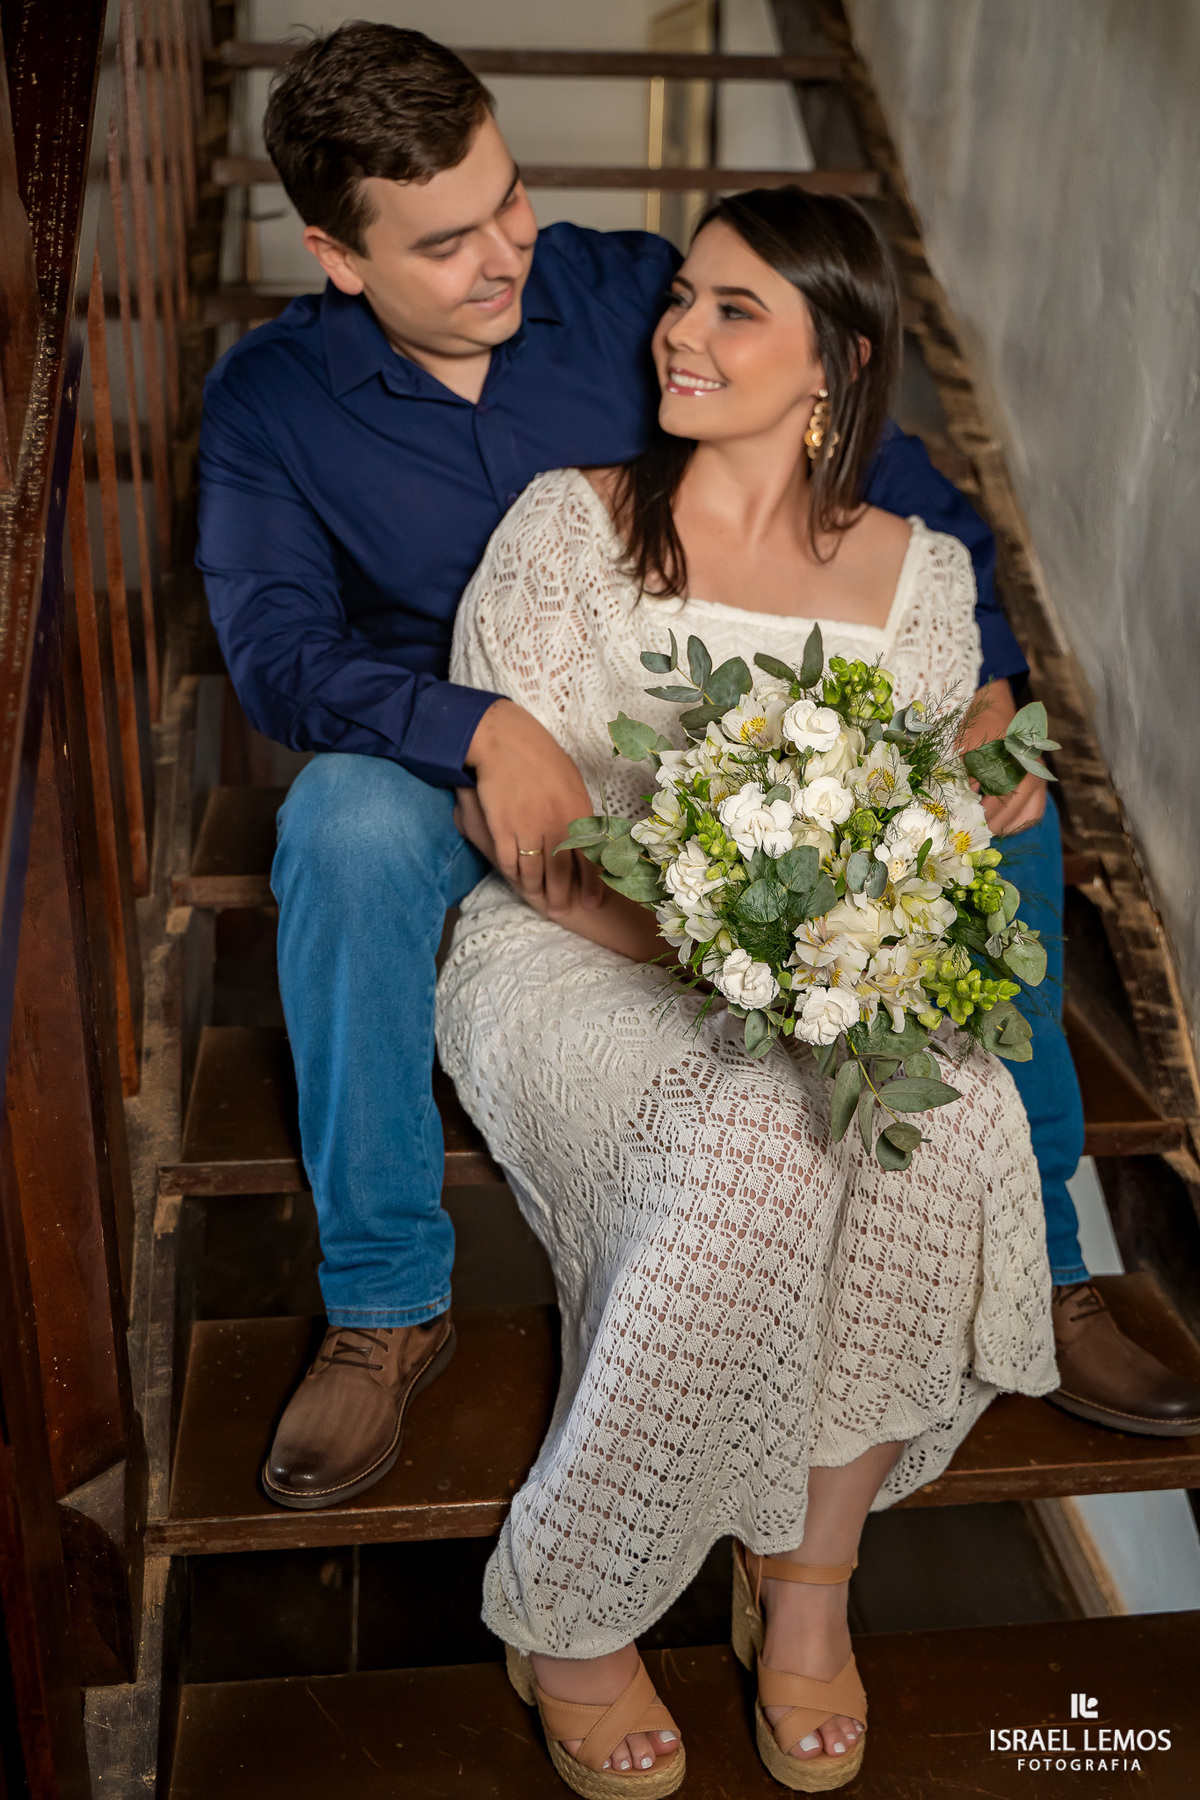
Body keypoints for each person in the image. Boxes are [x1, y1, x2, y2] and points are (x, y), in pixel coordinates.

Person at [195, 25, 1200, 1515]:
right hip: (447, 751)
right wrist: (475, 725)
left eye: (508, 197)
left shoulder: (629, 296)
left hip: (692, 739)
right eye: (447, 242)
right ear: (340, 258)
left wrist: (990, 674)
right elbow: (278, 653)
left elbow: (881, 473)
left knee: (992, 798)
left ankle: (1049, 1268)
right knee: (338, 823)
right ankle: (385, 1303)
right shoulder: (269, 402)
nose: (504, 253)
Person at [435, 187, 1060, 1794]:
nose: (680, 332)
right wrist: (731, 963)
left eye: (731, 309)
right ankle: (573, 1601)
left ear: (835, 364)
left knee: (951, 1109)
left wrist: (934, 862)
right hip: (571, 954)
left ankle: (808, 1580)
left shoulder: (922, 577)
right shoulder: (572, 525)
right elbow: (520, 827)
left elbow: (917, 817)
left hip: (815, 984)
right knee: (758, 1140)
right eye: (682, 298)